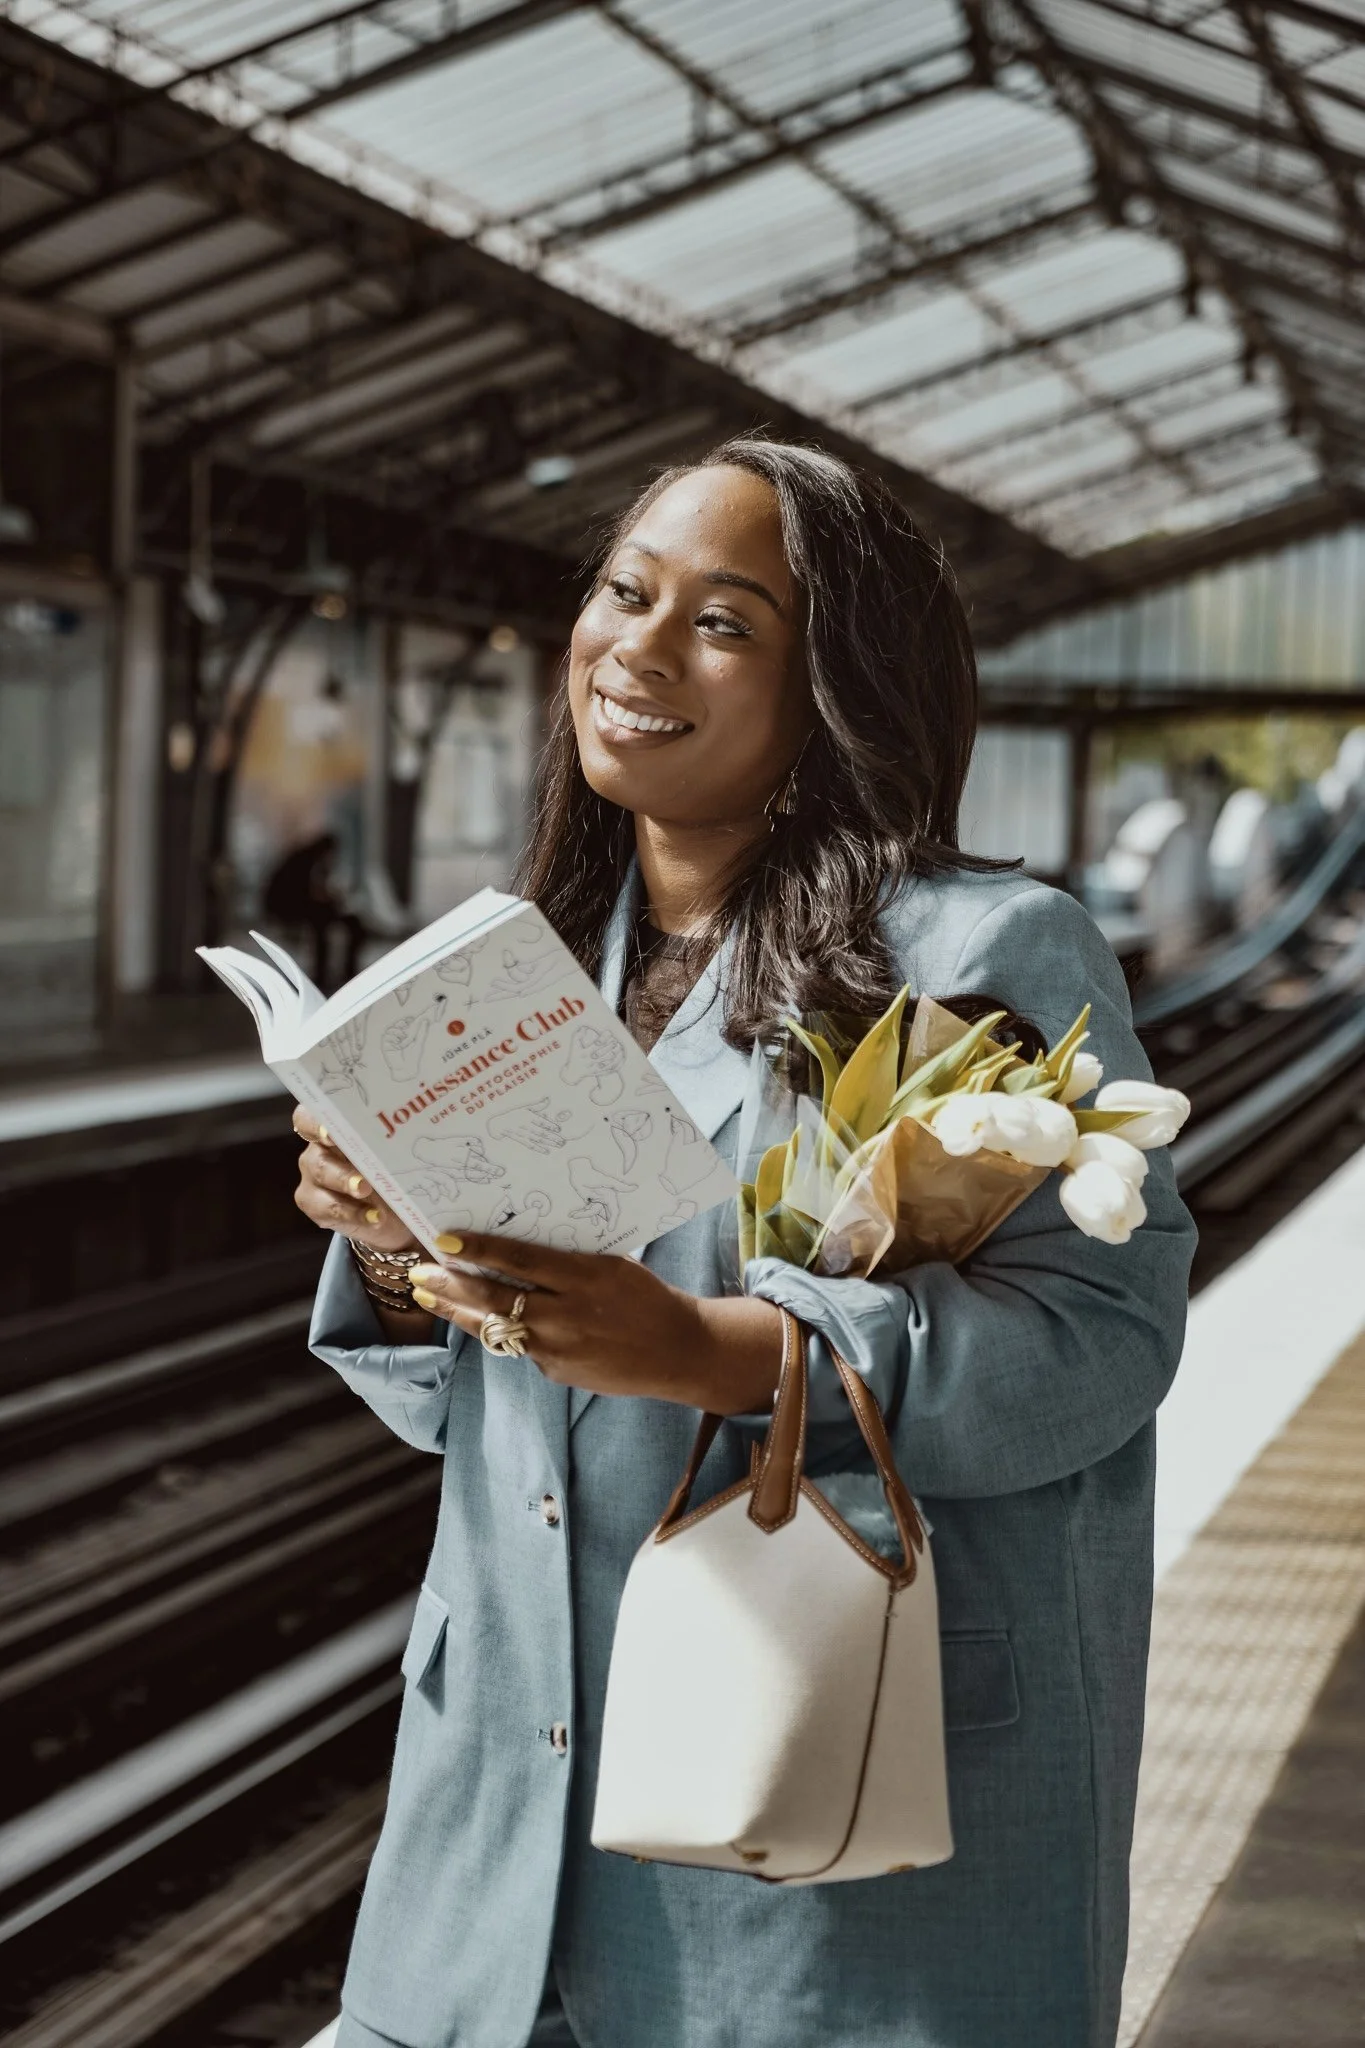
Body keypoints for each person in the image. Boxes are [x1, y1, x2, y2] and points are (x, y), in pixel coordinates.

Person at [294, 440, 1195, 2048]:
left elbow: (1102, 1344)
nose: (635, 648)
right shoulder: (527, 970)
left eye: (722, 621)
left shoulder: (982, 950)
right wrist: (394, 1253)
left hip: (826, 1823)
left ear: (834, 689)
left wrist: (711, 1354)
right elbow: (491, 1412)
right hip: (501, 1815)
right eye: (624, 593)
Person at [262, 830, 364, 990]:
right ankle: (333, 974)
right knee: (329, 923)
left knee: (329, 923)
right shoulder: (309, 862)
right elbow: (312, 892)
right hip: (289, 907)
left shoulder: (305, 858)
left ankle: (326, 974)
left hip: (291, 905)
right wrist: (335, 898)